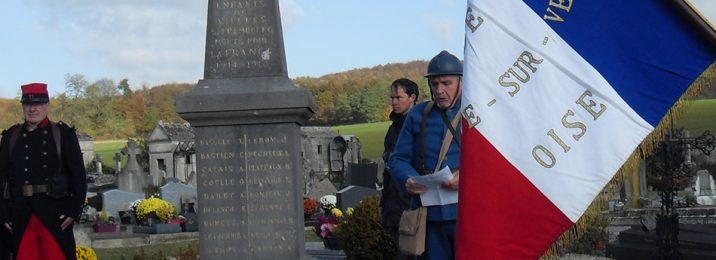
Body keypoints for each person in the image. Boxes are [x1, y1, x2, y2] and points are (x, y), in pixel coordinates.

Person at [0, 83, 87, 260]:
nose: (32, 109)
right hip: (21, 216)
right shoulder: (11, 137)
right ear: (23, 107)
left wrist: (73, 211)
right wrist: (2, 215)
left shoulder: (63, 134)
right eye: (28, 105)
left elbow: (78, 176)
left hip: (55, 215)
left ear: (47, 106)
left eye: (38, 104)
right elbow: (1, 178)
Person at [389, 50, 462, 260]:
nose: (439, 90)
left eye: (446, 83)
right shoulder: (418, 114)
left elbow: (492, 162)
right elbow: (398, 158)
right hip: (428, 218)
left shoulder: (475, 112)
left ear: (460, 81)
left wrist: (467, 176)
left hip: (468, 216)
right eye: (434, 84)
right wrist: (408, 179)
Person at [380, 78, 419, 259]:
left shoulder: (420, 125)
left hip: (411, 201)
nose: (394, 102)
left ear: (412, 97)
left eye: (398, 97)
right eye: (392, 97)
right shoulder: (393, 128)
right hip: (394, 202)